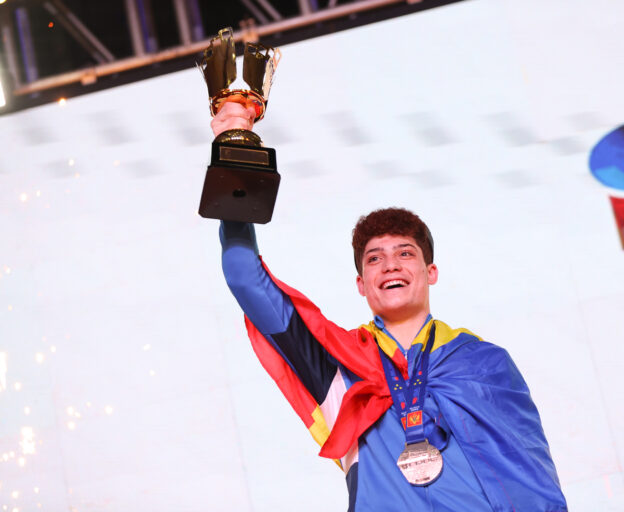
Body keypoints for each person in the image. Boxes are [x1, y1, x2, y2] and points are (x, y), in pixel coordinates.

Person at [214, 103, 567, 511]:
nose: (391, 265)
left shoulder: (485, 363)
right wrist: (234, 152)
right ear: (361, 285)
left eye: (405, 253)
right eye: (375, 258)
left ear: (431, 272)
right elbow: (244, 276)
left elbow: (532, 482)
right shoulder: (334, 366)